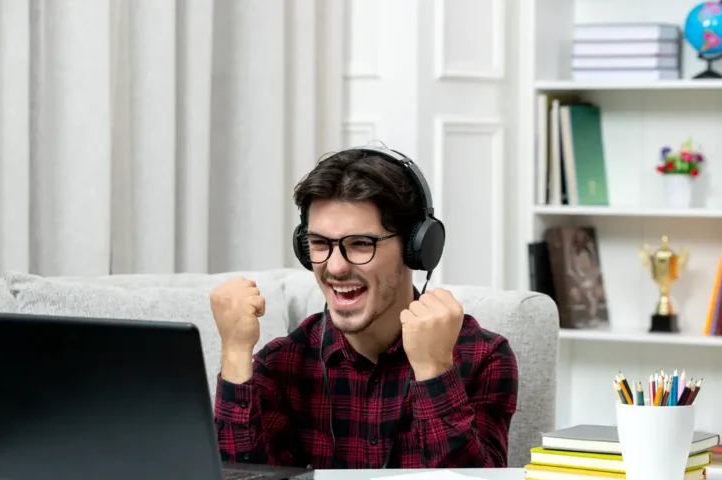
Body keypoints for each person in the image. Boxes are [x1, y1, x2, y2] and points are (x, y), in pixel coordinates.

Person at [210, 145, 518, 470]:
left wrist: (435, 371)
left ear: (416, 249)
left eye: (360, 244)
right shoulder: (279, 366)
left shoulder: (483, 357)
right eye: (319, 244)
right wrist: (234, 354)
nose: (336, 267)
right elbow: (238, 476)